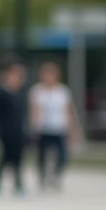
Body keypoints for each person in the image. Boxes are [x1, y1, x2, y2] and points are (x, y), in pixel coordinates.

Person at [30, 62, 79, 190]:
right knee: (42, 155)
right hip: (44, 128)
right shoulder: (37, 91)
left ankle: (56, 175)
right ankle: (43, 176)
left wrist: (71, 129)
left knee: (63, 155)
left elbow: (68, 111)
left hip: (59, 127)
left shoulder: (63, 91)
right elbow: (34, 110)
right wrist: (35, 126)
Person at [0, 61, 28, 195]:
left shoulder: (19, 93)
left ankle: (18, 183)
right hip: (6, 132)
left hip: (18, 131)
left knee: (18, 158)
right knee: (5, 157)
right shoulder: (1, 92)